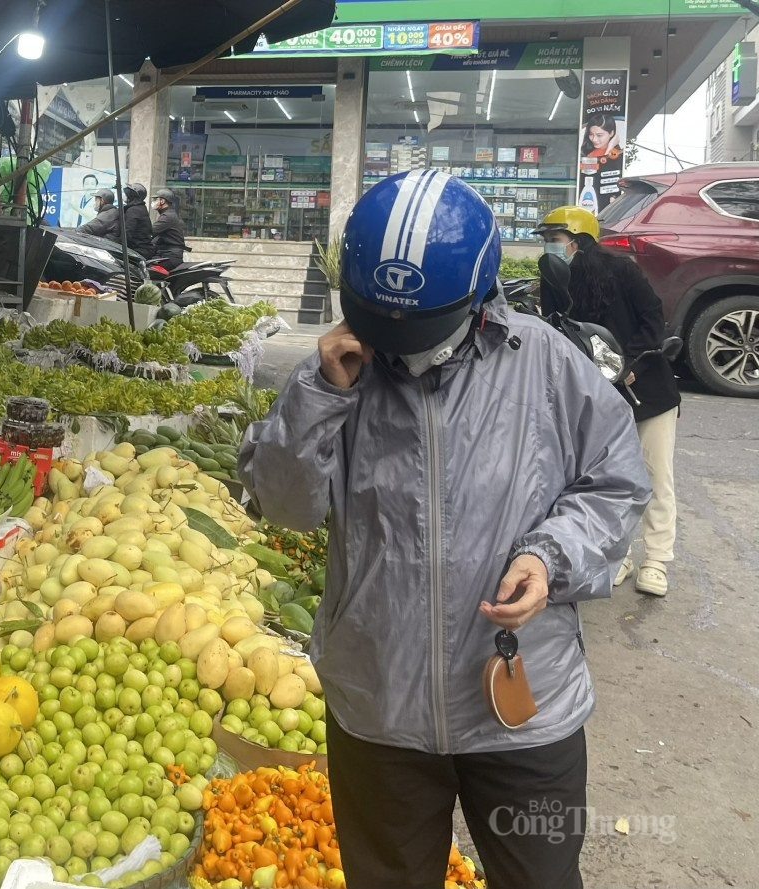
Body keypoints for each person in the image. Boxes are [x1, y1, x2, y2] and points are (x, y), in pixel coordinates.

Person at [238, 170, 650, 889]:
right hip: (379, 709)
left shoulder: (546, 364)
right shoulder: (340, 375)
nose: (398, 346)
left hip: (524, 711)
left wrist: (551, 555)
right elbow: (284, 508)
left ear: (478, 295)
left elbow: (616, 482)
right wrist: (317, 397)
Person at [535, 205, 681, 596]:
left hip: (645, 388)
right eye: (546, 241)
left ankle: (656, 559)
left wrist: (632, 362)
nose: (549, 248)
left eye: (555, 240)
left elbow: (653, 319)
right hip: (595, 396)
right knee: (609, 481)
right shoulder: (553, 277)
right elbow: (555, 332)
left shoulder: (623, 271)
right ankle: (621, 556)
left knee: (655, 476)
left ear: (579, 241)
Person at [150, 188, 187, 271]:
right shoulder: (169, 214)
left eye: (156, 199)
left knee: (145, 269)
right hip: (168, 255)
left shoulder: (167, 217)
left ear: (162, 201)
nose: (154, 202)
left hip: (169, 257)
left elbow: (150, 232)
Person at [122, 182, 154, 259]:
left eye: (126, 193)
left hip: (138, 251)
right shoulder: (140, 207)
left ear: (132, 195)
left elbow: (127, 233)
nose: (123, 195)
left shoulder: (133, 210)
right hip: (143, 249)